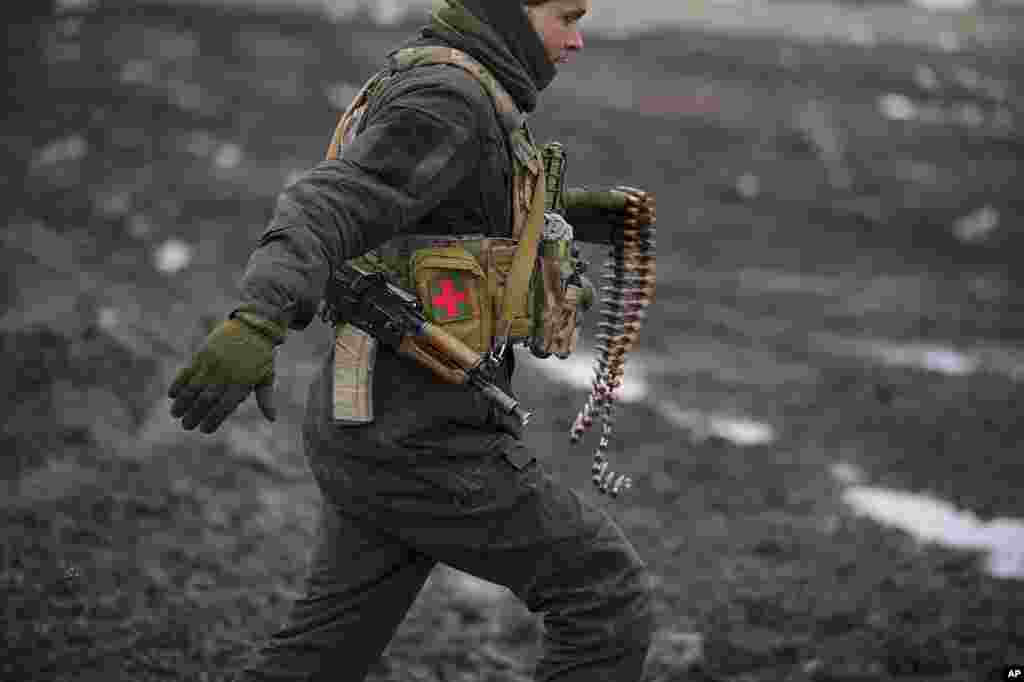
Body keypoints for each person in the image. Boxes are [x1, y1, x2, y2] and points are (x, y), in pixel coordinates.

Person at [167, 0, 655, 679]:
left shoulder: (465, 84)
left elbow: (437, 213)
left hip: (372, 417)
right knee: (606, 595)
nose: (576, 42)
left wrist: (564, 213)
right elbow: (329, 203)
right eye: (566, 17)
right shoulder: (450, 96)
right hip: (416, 434)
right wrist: (258, 318)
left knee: (323, 655)